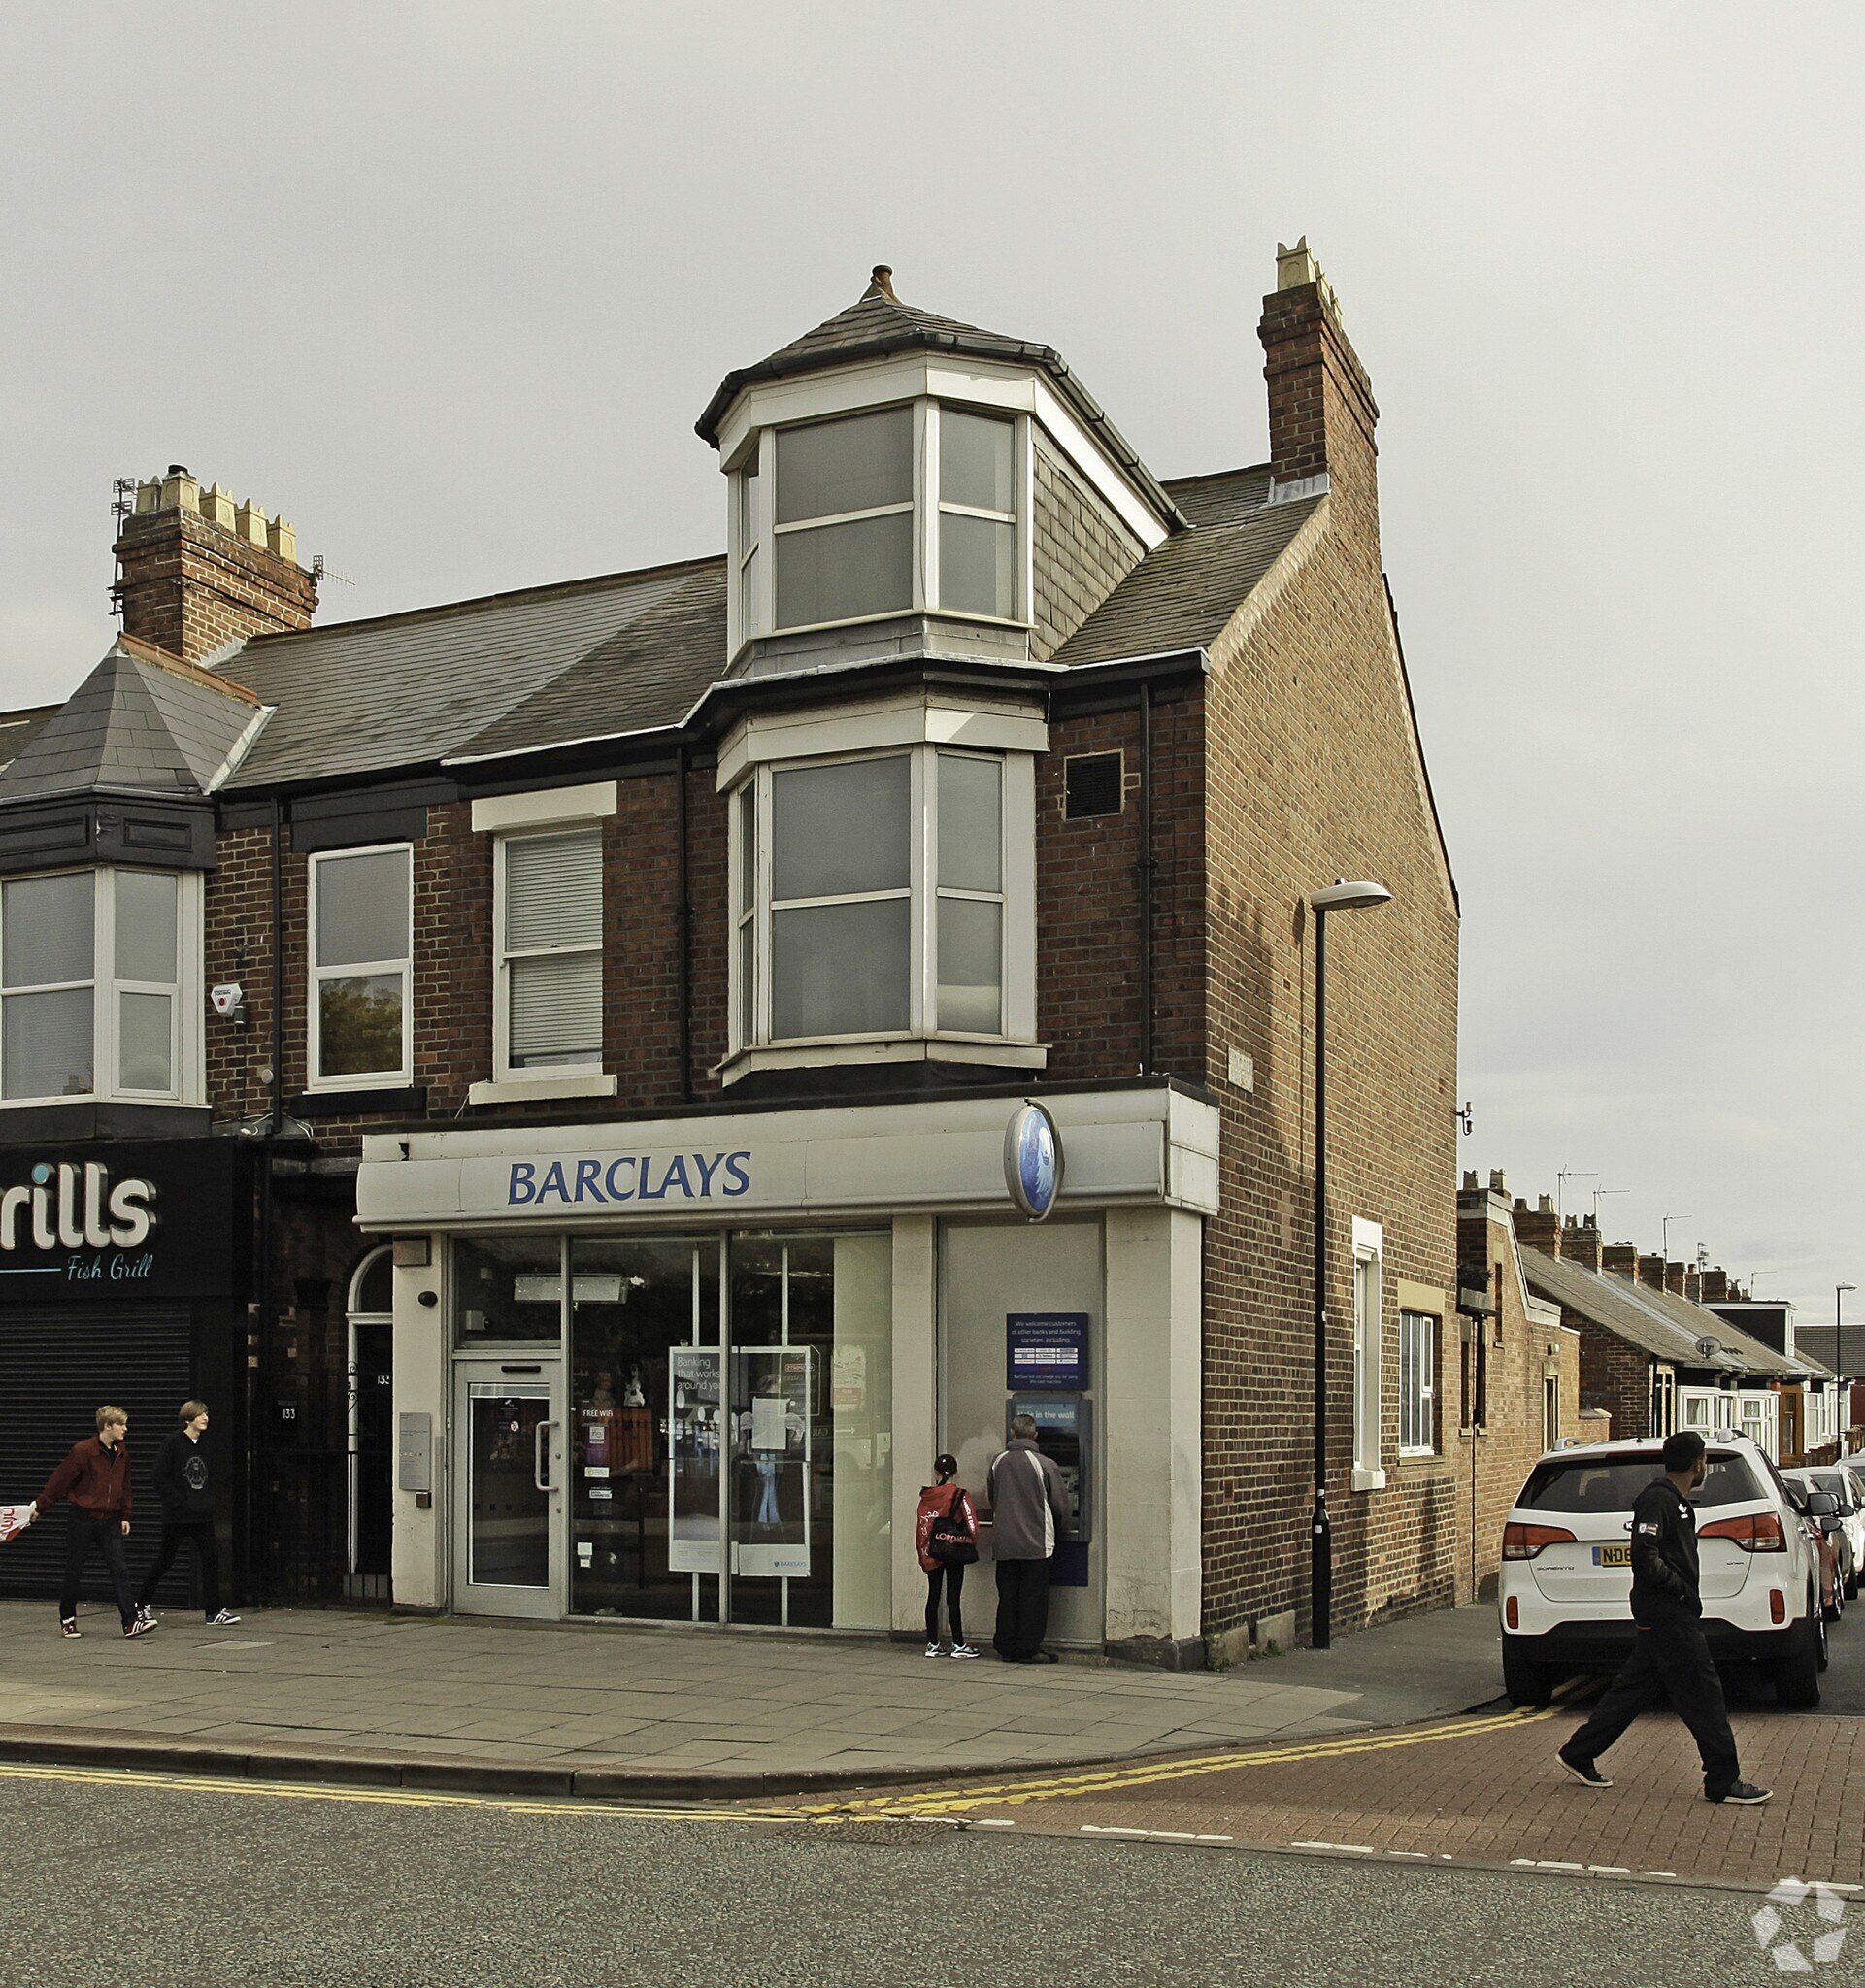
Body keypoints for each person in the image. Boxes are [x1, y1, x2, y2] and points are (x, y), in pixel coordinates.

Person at [1558, 1429, 1771, 1805]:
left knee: (1632, 1689)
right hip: (1668, 1613)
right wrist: (1681, 1590)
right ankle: (1723, 1779)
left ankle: (1579, 1752)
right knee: (1704, 1694)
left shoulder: (1675, 1502)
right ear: (1697, 1463)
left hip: (1666, 1612)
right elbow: (1645, 1554)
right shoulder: (1658, 1500)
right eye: (1704, 1460)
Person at [35, 1406, 153, 1640]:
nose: (126, 1429)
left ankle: (130, 1621)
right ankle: (67, 1618)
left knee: (120, 1568)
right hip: (83, 1518)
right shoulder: (83, 1451)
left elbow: (125, 1484)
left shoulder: (121, 1451)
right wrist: (41, 1505)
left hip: (110, 1519)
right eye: (122, 1424)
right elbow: (61, 1479)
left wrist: (126, 1515)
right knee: (74, 1569)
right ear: (107, 1426)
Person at [134, 1400, 239, 1630]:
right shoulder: (173, 1443)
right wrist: (178, 1501)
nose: (205, 1419)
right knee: (165, 1560)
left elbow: (211, 1475)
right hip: (178, 1516)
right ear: (188, 1419)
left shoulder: (206, 1445)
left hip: (201, 1514)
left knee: (211, 1559)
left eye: (206, 1414)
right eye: (201, 1415)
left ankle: (213, 1611)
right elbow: (159, 1477)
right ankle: (141, 1603)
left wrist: (207, 1500)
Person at [986, 1413, 1071, 1664]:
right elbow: (1060, 1504)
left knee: (1008, 1596)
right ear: (1035, 1435)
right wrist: (1063, 1526)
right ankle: (1028, 1648)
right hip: (1036, 1543)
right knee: (1033, 1598)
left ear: (1012, 1433)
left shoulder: (997, 1462)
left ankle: (1006, 1646)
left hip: (1005, 1543)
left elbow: (994, 1497)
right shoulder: (1045, 1464)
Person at [916, 1453, 980, 1658]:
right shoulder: (960, 1494)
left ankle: (933, 1644)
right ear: (956, 1472)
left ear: (936, 1473)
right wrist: (968, 1544)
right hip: (954, 1551)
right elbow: (972, 1524)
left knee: (933, 1595)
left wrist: (924, 1554)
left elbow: (922, 1528)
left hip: (932, 1551)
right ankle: (958, 1644)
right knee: (953, 1597)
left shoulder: (927, 1497)